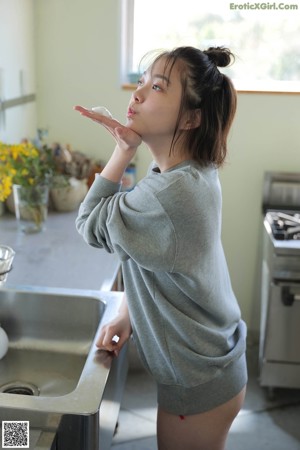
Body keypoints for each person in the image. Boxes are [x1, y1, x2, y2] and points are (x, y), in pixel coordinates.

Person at [74, 46, 247, 450]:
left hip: (197, 384)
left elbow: (89, 223)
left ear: (191, 118)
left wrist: (122, 149)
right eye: (141, 82)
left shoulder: (169, 195)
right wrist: (129, 312)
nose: (136, 95)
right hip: (216, 363)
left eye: (156, 87)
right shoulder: (191, 173)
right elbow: (164, 261)